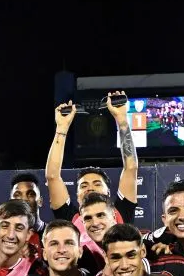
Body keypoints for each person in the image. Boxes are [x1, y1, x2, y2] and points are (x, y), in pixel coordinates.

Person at [46, 92, 138, 256]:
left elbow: (130, 168)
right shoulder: (70, 218)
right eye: (84, 185)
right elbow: (53, 176)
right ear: (77, 194)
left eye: (97, 184)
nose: (90, 188)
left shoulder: (121, 211)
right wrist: (61, 128)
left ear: (108, 192)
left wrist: (122, 119)